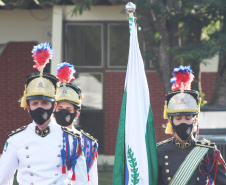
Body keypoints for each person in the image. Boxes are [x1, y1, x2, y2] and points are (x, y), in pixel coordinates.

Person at [0, 43, 88, 185]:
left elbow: (81, 181)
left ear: (53, 106)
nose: (39, 108)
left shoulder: (71, 139)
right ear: (28, 108)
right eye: (35, 104)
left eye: (44, 103)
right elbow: (3, 179)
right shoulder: (15, 140)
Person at [157, 66, 226, 185]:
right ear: (171, 121)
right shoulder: (160, 151)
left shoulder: (208, 151)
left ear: (195, 120)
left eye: (188, 118)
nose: (183, 122)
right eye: (178, 118)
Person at [54, 62, 98, 185]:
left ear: (76, 114)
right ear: (53, 111)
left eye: (68, 110)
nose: (63, 112)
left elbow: (92, 180)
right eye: (60, 108)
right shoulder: (42, 137)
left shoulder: (89, 143)